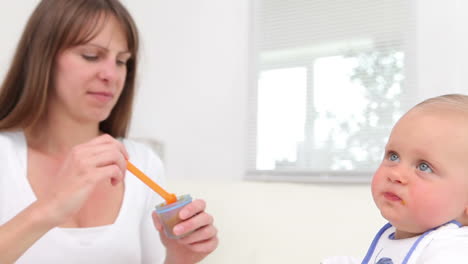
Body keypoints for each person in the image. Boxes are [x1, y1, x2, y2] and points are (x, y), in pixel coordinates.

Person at [0, 0, 218, 263]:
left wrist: (180, 258)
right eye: (91, 55)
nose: (111, 75)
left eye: (122, 61)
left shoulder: (142, 163)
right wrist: (51, 207)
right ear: (42, 58)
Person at [322, 94, 468, 264]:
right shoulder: (404, 237)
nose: (396, 174)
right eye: (393, 157)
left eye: (424, 167)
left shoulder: (451, 251)